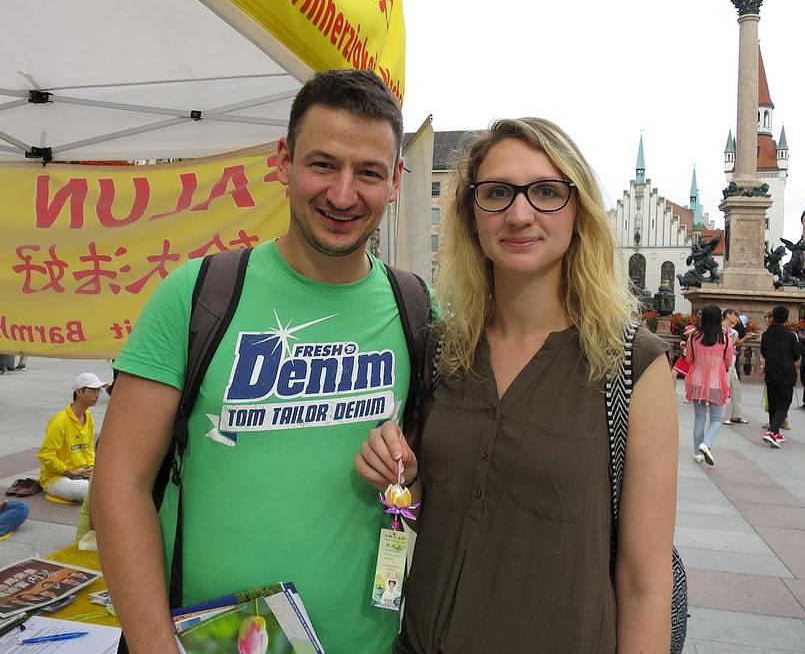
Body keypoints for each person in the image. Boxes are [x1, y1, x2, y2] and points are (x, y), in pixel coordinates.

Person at [93, 69, 416, 654]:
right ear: (283, 161)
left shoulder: (418, 307)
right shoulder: (197, 294)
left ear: (394, 181)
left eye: (368, 172)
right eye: (323, 164)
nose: (343, 195)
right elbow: (119, 482)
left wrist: (411, 473)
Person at [356, 118, 678, 652]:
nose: (519, 214)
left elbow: (646, 583)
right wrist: (405, 481)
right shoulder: (441, 349)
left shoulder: (631, 364)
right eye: (498, 193)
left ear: (579, 213)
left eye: (547, 192)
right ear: (472, 214)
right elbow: (429, 511)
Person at [37, 373, 102, 502]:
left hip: (81, 473)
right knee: (88, 490)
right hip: (55, 477)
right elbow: (46, 455)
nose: (97, 395)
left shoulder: (88, 417)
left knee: (109, 483)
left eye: (98, 391)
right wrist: (69, 472)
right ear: (78, 392)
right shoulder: (59, 421)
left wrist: (90, 467)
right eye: (92, 390)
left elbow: (89, 447)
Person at [685, 305, 733, 465]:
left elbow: (689, 359)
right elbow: (728, 361)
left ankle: (697, 452)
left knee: (699, 417)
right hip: (716, 382)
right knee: (717, 418)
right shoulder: (725, 339)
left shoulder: (693, 337)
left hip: (697, 380)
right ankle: (707, 444)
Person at [760, 306, 800, 449]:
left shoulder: (766, 335)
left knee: (773, 402)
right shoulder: (790, 335)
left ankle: (775, 431)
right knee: (784, 402)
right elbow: (796, 355)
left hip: (771, 371)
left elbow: (763, 352)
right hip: (786, 372)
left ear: (773, 318)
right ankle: (772, 431)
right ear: (787, 319)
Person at [722, 309, 748, 424]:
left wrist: (745, 339)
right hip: (723, 358)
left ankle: (737, 414)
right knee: (725, 385)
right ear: (728, 315)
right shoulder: (719, 329)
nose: (736, 318)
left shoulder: (733, 332)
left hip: (732, 357)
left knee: (735, 385)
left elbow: (735, 344)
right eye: (735, 315)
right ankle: (722, 415)